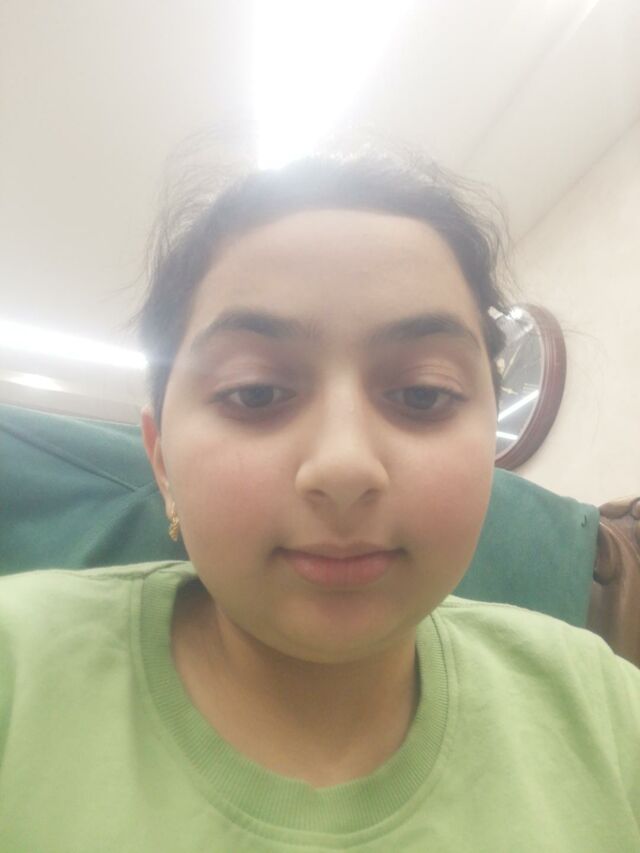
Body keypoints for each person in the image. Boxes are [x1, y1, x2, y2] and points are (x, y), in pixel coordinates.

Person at [0, 154, 638, 852]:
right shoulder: (18, 666)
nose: (344, 466)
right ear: (162, 461)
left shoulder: (602, 705)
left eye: (423, 393)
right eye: (256, 393)